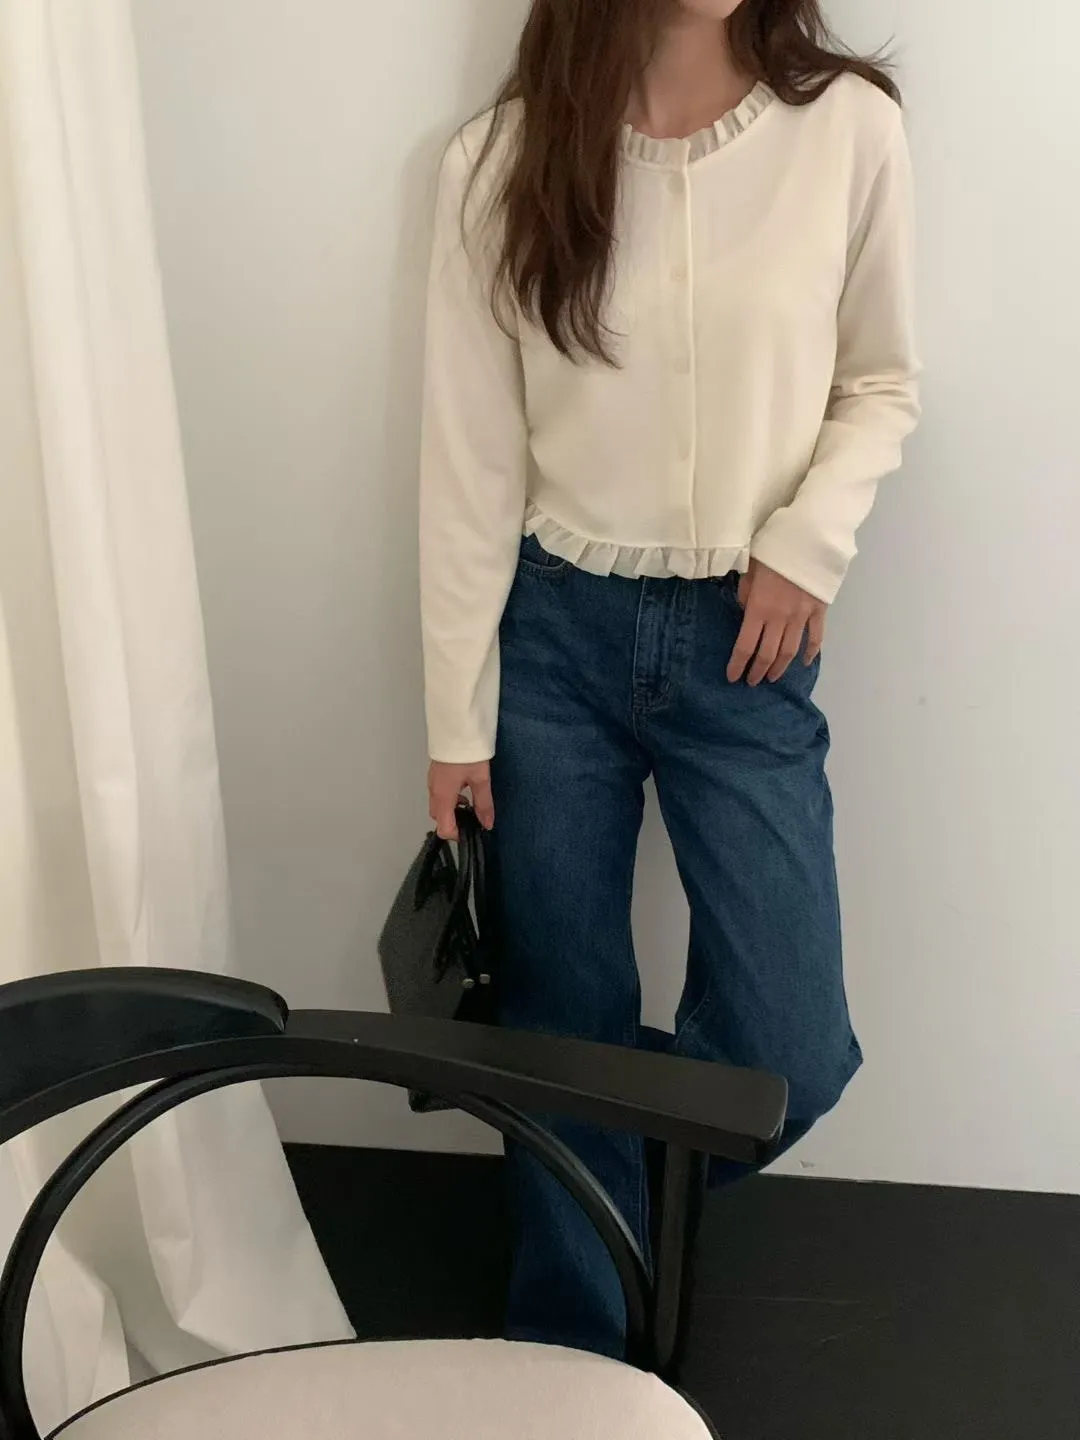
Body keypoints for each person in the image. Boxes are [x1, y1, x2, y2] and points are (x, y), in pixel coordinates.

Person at [419, 0, 919, 1358]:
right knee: (557, 1011)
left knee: (788, 1047)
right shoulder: (501, 159)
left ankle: (598, 1196)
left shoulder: (848, 129)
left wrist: (806, 548)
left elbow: (881, 381)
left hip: (750, 644)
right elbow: (468, 463)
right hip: (550, 642)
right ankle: (573, 1353)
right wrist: (455, 718)